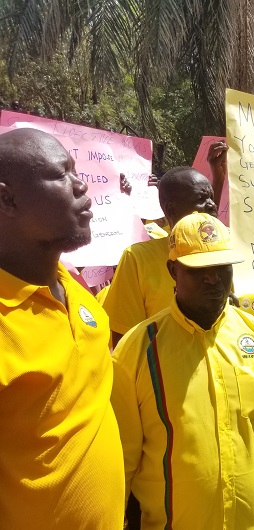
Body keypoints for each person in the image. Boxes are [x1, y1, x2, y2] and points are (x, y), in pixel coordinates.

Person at [110, 212, 254, 529]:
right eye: (199, 269)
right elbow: (119, 462)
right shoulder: (138, 351)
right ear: (173, 270)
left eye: (222, 267)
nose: (213, 278)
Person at [0, 128, 125, 527]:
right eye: (60, 174)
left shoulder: (75, 288)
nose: (81, 184)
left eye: (76, 169)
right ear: (7, 199)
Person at [103, 141, 227, 346]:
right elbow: (123, 339)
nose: (212, 205)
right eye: (201, 198)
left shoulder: (225, 252)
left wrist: (219, 175)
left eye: (212, 197)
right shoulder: (137, 258)